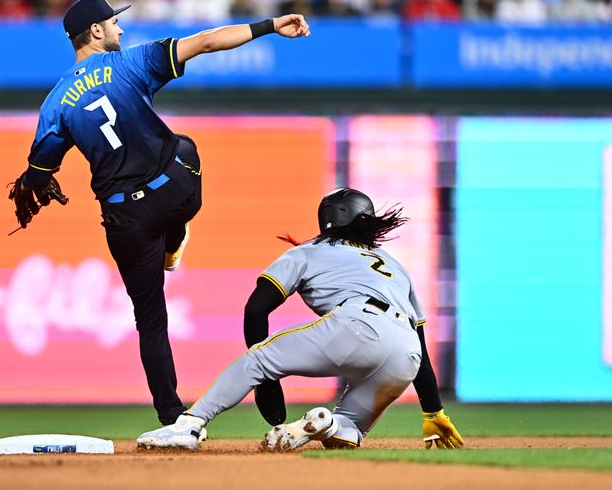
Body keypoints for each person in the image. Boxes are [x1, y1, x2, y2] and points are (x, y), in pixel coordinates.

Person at [7, 0, 311, 426]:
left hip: (124, 220)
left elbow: (38, 173)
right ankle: (176, 232)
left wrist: (30, 185)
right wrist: (271, 24)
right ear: (96, 31)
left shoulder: (55, 104)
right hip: (173, 192)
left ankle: (173, 419)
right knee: (184, 145)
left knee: (150, 320)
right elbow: (206, 42)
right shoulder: (130, 63)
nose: (120, 29)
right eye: (114, 23)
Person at [137, 188, 464, 450]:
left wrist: (266, 378)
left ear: (327, 221)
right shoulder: (393, 264)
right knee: (346, 433)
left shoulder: (308, 251)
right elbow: (419, 342)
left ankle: (188, 424)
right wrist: (433, 410)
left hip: (360, 325)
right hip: (406, 356)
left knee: (257, 359)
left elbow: (256, 309)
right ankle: (327, 423)